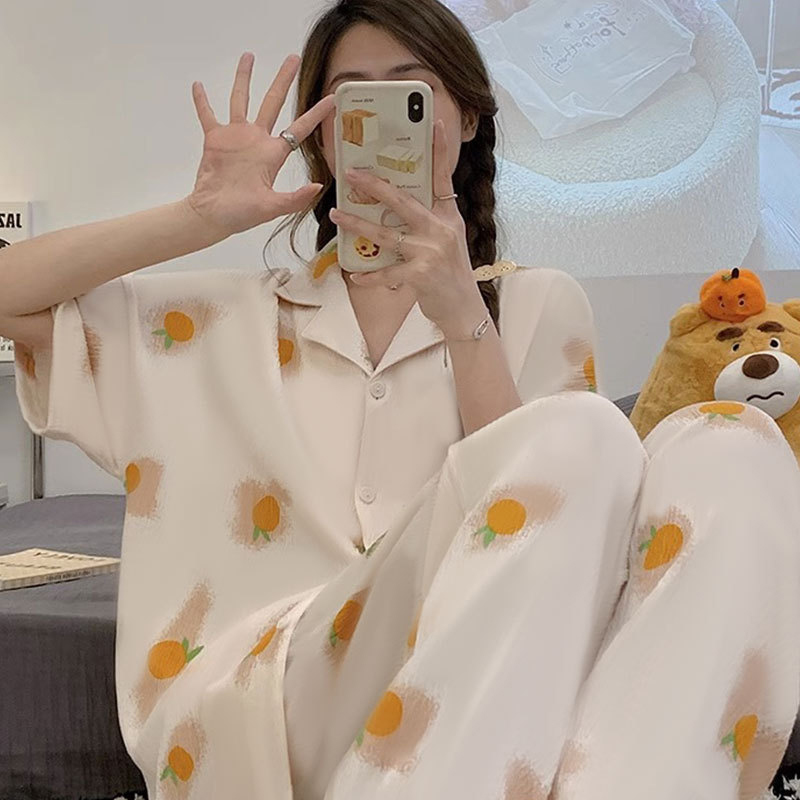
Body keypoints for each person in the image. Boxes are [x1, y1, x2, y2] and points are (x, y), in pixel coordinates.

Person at [1, 1, 799, 798]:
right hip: (264, 704)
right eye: (353, 100)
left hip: (483, 703)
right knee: (582, 432)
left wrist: (463, 319)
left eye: (410, 92)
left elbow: (556, 568)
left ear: (468, 118)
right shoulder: (216, 320)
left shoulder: (537, 306)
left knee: (736, 444)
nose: (382, 121)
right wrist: (195, 218)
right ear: (322, 138)